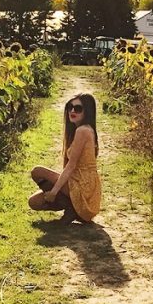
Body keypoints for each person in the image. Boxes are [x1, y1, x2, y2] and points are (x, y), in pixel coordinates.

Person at [28, 93, 102, 224]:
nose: (72, 111)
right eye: (70, 107)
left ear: (87, 111)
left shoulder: (83, 131)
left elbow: (71, 165)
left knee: (37, 171)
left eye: (78, 108)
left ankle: (72, 209)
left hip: (83, 185)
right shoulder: (81, 130)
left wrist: (54, 191)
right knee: (34, 202)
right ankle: (72, 208)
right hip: (79, 182)